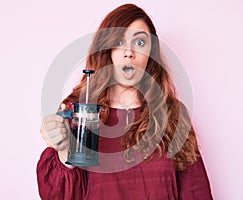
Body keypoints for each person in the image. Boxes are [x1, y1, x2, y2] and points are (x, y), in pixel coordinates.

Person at [37, 3, 213, 200]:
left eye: (139, 43)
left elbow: (197, 192)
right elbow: (56, 196)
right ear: (107, 51)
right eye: (119, 42)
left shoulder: (173, 114)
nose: (129, 52)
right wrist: (63, 153)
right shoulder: (80, 113)